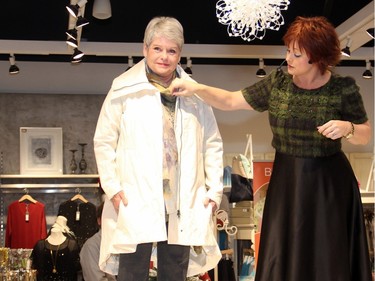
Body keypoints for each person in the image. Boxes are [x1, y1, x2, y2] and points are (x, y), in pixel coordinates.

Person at [169, 16, 372, 281]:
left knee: (327, 255)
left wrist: (348, 128)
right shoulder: (278, 81)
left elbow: (365, 134)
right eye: (288, 50)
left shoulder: (343, 89)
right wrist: (196, 88)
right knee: (284, 255)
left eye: (296, 54)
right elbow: (231, 101)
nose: (288, 57)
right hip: (287, 181)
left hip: (329, 186)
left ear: (317, 57)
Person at [93, 16, 224, 281]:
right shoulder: (123, 89)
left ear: (180, 54)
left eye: (172, 50)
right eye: (157, 48)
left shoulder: (195, 94)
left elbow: (212, 142)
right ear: (145, 48)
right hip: (136, 195)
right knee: (132, 270)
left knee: (175, 270)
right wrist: (113, 187)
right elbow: (104, 140)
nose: (164, 56)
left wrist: (214, 190)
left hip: (182, 197)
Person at [80, 202, 116, 281]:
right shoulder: (91, 245)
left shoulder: (127, 243)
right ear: (99, 221)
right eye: (110, 218)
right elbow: (96, 279)